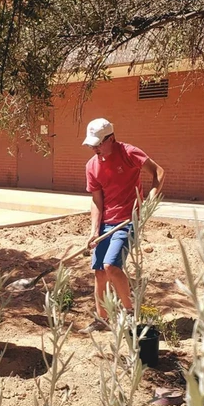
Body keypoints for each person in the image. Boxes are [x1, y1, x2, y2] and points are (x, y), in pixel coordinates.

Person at [79, 118, 165, 333]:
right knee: (99, 272)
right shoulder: (91, 166)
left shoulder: (129, 153)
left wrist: (150, 199)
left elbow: (159, 172)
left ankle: (128, 313)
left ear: (111, 139)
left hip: (128, 221)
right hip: (106, 224)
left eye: (98, 143)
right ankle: (103, 319)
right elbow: (97, 200)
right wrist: (93, 230)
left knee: (111, 267)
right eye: (91, 144)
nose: (94, 148)